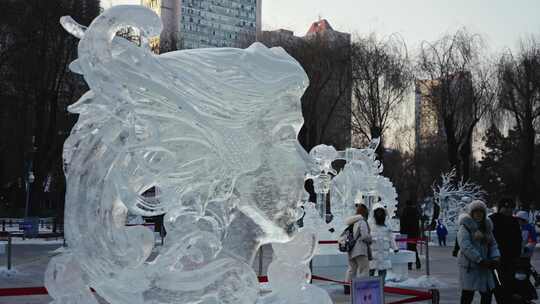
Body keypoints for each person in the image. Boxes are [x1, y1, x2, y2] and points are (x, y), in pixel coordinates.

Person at [457, 200, 500, 304]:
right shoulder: (465, 227)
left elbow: (493, 244)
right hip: (470, 266)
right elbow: (466, 246)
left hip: (485, 266)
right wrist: (479, 259)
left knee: (487, 293)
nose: (478, 214)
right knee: (468, 294)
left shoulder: (487, 227)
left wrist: (496, 257)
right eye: (476, 211)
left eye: (481, 211)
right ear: (471, 213)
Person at [489, 198, 522, 303]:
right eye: (505, 207)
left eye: (510, 208)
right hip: (496, 258)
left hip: (511, 259)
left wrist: (517, 255)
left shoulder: (514, 221)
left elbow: (518, 239)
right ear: (500, 208)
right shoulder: (492, 219)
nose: (508, 210)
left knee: (509, 284)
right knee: (498, 285)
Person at [344, 204, 372, 294]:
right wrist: (370, 238)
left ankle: (347, 287)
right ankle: (363, 287)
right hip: (360, 249)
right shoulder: (362, 222)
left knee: (352, 269)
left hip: (351, 248)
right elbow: (364, 236)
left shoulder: (352, 222)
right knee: (364, 268)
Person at [369, 204, 399, 283]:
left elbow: (391, 237)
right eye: (378, 212)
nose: (379, 214)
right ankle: (370, 286)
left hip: (383, 252)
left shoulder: (387, 225)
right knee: (371, 269)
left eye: (381, 212)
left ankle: (381, 286)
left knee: (382, 270)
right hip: (373, 251)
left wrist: (395, 247)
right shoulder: (371, 224)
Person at [400, 199, 421, 269]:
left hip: (407, 233)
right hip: (414, 232)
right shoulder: (415, 211)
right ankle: (417, 262)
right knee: (413, 247)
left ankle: (410, 264)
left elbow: (402, 223)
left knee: (409, 248)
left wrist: (402, 232)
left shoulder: (404, 211)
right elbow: (417, 222)